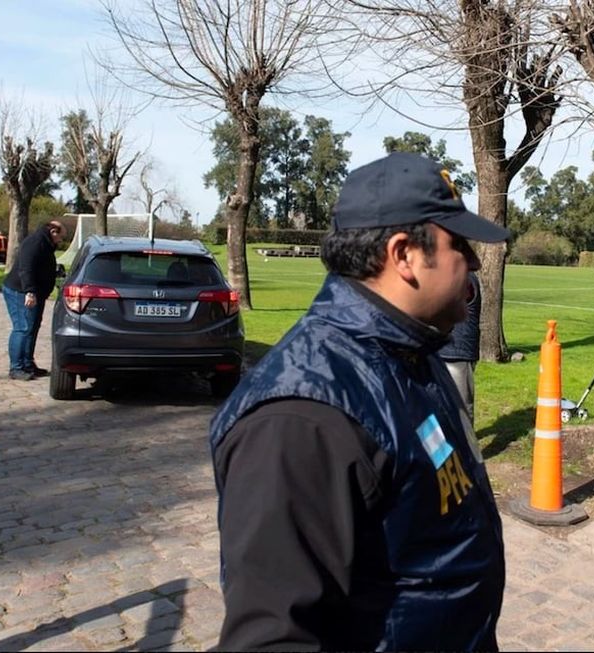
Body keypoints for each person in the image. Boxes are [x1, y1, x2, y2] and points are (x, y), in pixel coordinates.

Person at [209, 152, 508, 651]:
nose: (474, 261)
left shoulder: (414, 353)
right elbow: (273, 638)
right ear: (404, 255)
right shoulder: (302, 420)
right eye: (459, 244)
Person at [2, 220, 65, 381]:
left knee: (32, 327)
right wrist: (29, 291)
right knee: (22, 328)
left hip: (36, 292)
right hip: (20, 291)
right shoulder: (35, 242)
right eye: (61, 237)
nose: (61, 240)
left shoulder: (45, 243)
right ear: (53, 231)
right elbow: (26, 268)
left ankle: (28, 363)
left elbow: (41, 266)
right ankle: (16, 367)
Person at [440, 270, 481, 424]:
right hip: (440, 351)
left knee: (461, 407)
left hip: (458, 352)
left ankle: (466, 447)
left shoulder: (465, 278)